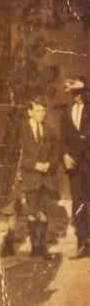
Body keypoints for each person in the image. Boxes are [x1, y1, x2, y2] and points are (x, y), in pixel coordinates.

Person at [19, 97, 60, 259]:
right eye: (38, 111)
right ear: (30, 112)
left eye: (44, 111)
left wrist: (50, 164)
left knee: (44, 212)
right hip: (30, 177)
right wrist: (34, 165)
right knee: (32, 212)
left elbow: (56, 152)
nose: (42, 114)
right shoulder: (21, 130)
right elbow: (17, 155)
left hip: (46, 178)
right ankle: (34, 246)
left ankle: (42, 247)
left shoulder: (49, 130)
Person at [62, 76, 90, 258]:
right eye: (73, 92)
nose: (75, 95)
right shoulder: (67, 112)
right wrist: (65, 155)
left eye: (77, 91)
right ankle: (82, 242)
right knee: (78, 202)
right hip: (75, 165)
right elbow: (62, 136)